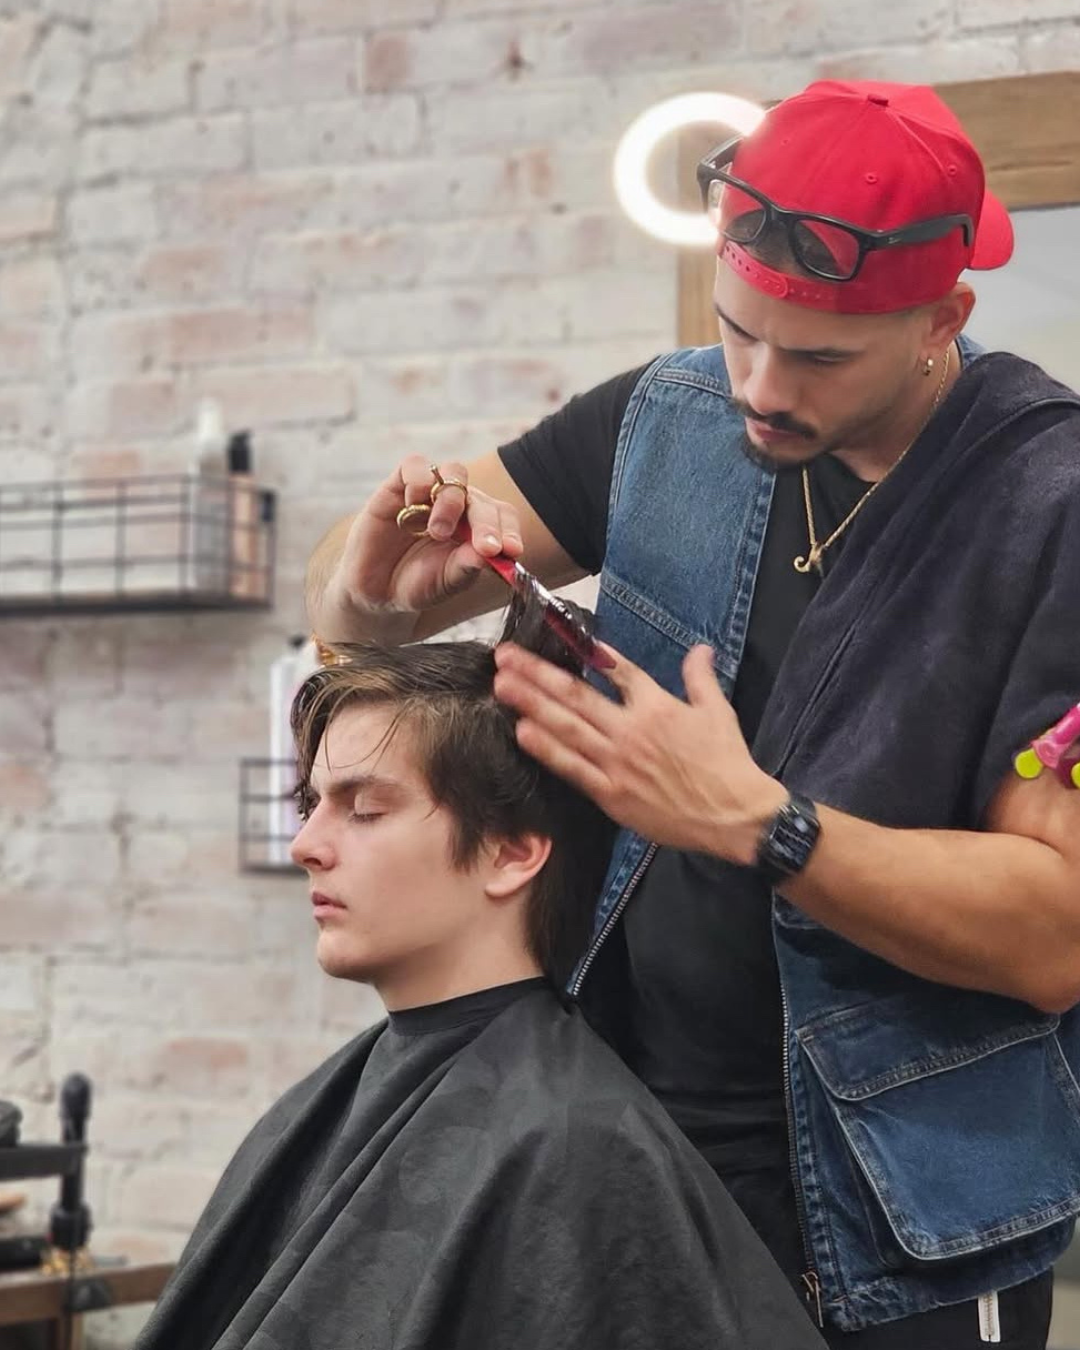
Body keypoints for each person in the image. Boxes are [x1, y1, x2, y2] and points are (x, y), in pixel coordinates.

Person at [304, 78, 1080, 1348]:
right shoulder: (670, 416)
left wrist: (763, 824)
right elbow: (354, 580)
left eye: (820, 356)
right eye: (738, 331)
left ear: (946, 315)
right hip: (623, 1154)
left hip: (894, 1222)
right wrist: (376, 585)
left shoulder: (1049, 503)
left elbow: (1055, 931)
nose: (761, 390)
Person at [132, 593, 827, 1350]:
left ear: (512, 852)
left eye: (364, 809)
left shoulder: (574, 1145)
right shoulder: (341, 1099)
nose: (307, 844)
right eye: (312, 804)